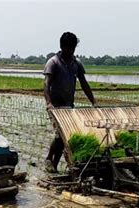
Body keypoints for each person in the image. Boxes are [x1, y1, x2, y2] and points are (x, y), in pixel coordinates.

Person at [43, 32, 96, 173]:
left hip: (68, 105)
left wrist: (93, 102)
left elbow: (84, 84)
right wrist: (49, 103)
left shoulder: (76, 64)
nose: (71, 51)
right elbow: (46, 84)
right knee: (60, 135)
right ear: (62, 47)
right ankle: (48, 158)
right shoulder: (53, 62)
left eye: (73, 48)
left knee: (64, 137)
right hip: (55, 106)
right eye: (69, 48)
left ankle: (54, 165)